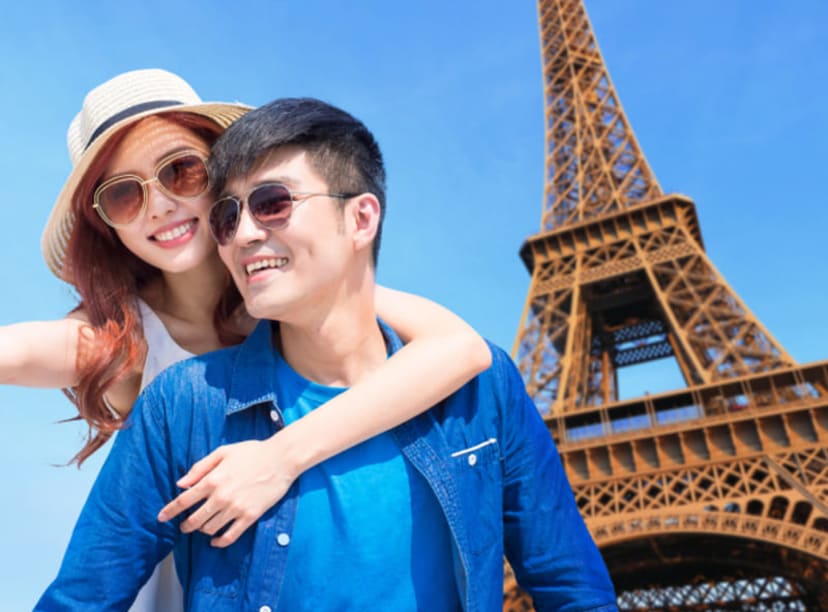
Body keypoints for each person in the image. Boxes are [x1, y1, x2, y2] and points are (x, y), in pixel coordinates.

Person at [36, 97, 618, 611]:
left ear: (361, 217)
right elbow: (80, 599)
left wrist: (281, 456)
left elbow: (574, 592)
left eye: (272, 203)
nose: (242, 235)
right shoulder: (182, 405)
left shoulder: (480, 387)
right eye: (227, 215)